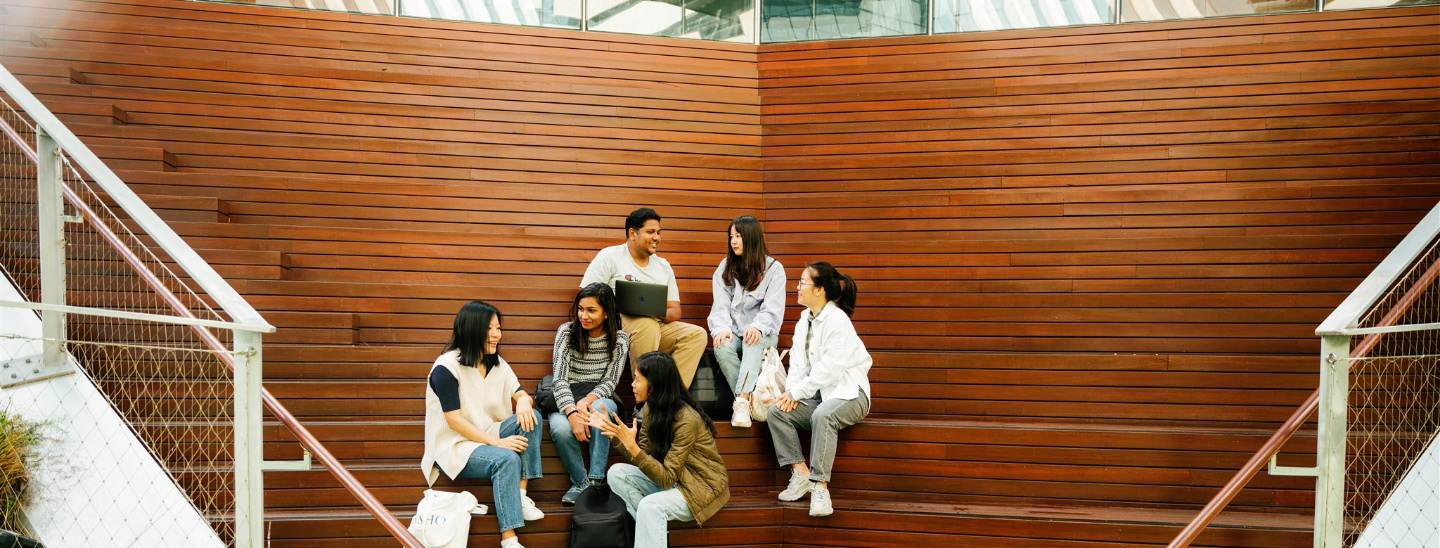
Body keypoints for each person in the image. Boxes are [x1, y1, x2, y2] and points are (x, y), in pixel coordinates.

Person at [421, 301, 546, 548]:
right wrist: (498, 443)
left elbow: (520, 392)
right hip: (454, 446)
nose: (497, 334)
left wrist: (523, 400)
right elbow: (454, 420)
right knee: (506, 459)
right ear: (472, 329)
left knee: (534, 417)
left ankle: (520, 496)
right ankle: (509, 540)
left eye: (498, 328)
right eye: (490, 328)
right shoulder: (445, 369)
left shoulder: (496, 362)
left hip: (487, 432)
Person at [767, 262, 871, 518]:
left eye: (803, 282)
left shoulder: (838, 321)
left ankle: (820, 486)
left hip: (850, 393)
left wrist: (797, 393)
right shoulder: (804, 321)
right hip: (819, 395)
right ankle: (801, 473)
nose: (798, 287)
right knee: (776, 412)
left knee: (823, 415)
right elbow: (797, 365)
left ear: (820, 290)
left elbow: (831, 370)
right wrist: (790, 395)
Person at [597, 351, 730, 548]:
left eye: (637, 379)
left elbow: (666, 478)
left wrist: (632, 447)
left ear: (655, 384)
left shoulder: (687, 419)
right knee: (616, 473)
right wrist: (618, 438)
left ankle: (651, 531)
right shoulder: (651, 408)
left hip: (699, 487)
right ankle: (652, 533)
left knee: (649, 506)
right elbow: (645, 458)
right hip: (674, 479)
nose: (632, 384)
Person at [581, 207, 707, 387]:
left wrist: (653, 309)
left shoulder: (663, 266)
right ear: (632, 233)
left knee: (696, 334)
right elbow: (586, 295)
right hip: (617, 324)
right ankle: (644, 400)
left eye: (658, 232)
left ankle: (671, 397)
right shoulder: (610, 256)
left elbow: (675, 310)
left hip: (655, 322)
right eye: (650, 232)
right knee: (647, 326)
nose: (657, 237)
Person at [548, 283, 629, 505]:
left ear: (606, 313)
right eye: (581, 309)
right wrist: (573, 413)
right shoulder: (566, 332)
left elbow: (610, 380)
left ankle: (595, 480)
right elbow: (560, 379)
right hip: (566, 397)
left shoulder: (620, 339)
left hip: (598, 397)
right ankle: (580, 482)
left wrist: (586, 401)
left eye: (591, 310)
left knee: (602, 413)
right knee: (560, 428)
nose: (583, 316)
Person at [707, 215, 786, 428]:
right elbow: (720, 306)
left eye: (739, 236)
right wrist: (721, 330)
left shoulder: (774, 269)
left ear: (751, 238)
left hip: (764, 333)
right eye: (731, 236)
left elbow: (773, 309)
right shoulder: (725, 267)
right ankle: (747, 401)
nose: (734, 241)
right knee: (722, 346)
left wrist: (757, 326)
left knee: (753, 339)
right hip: (734, 332)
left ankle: (741, 400)